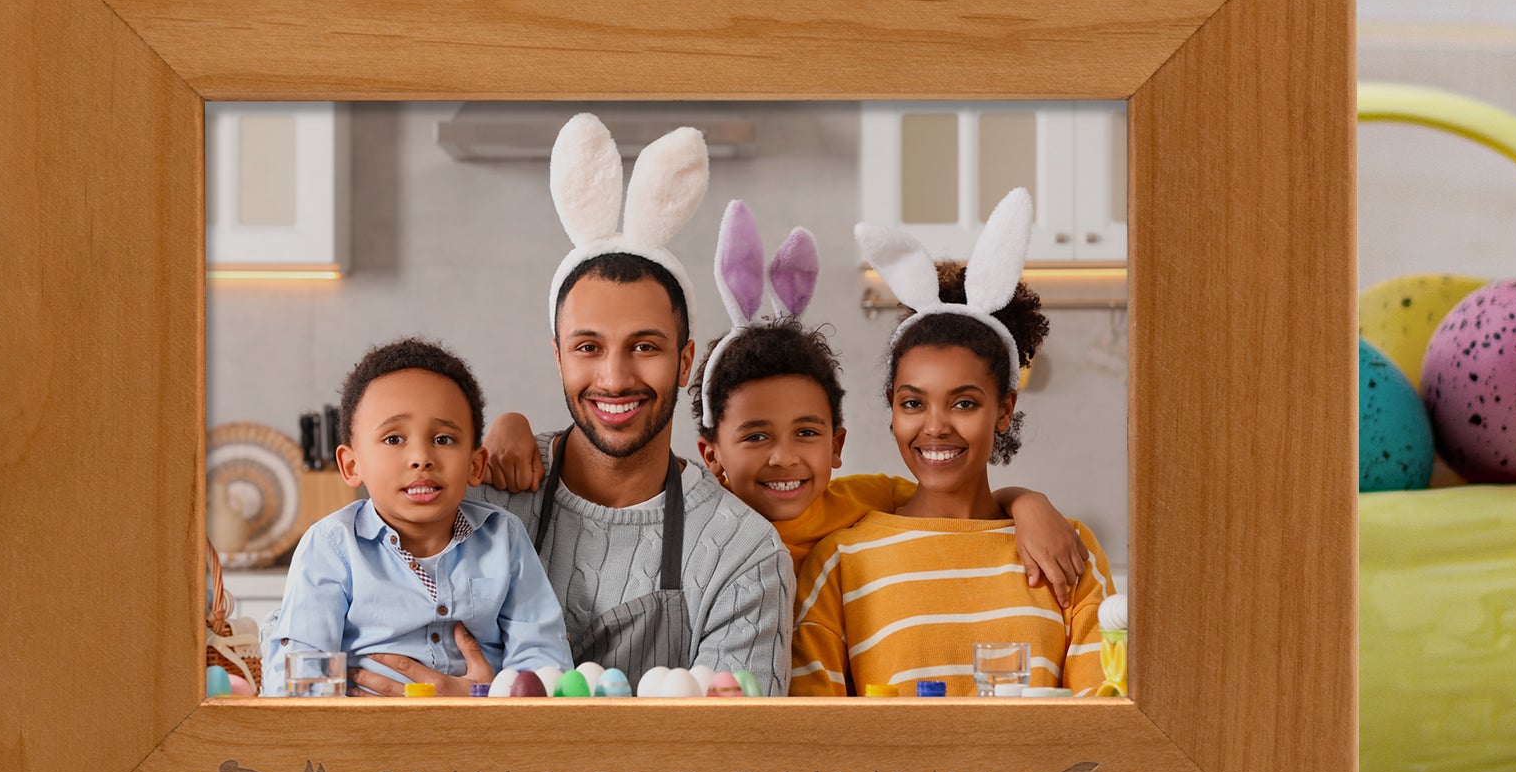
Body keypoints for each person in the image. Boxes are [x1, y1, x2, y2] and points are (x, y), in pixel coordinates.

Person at [474, 113, 793, 694]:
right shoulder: (485, 499)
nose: (614, 378)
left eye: (644, 346)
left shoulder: (741, 553)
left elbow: (741, 753)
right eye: (588, 347)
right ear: (558, 357)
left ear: (686, 359)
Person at [790, 192, 1113, 696]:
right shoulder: (842, 560)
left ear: (1003, 410)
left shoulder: (1066, 551)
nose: (935, 427)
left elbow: (1105, 715)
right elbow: (816, 736)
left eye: (964, 403)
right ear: (892, 410)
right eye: (913, 403)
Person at [681, 199, 1092, 592]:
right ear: (711, 455)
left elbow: (950, 502)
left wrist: (1029, 504)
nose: (785, 457)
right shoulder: (699, 532)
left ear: (837, 444)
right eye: (755, 436)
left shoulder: (863, 502)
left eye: (806, 432)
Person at [258, 337, 570, 697]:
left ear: (475, 464)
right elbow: (302, 674)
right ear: (351, 464)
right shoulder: (332, 546)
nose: (421, 457)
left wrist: (482, 702)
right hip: (361, 741)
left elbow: (543, 659)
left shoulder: (504, 537)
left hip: (483, 736)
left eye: (443, 439)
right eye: (393, 439)